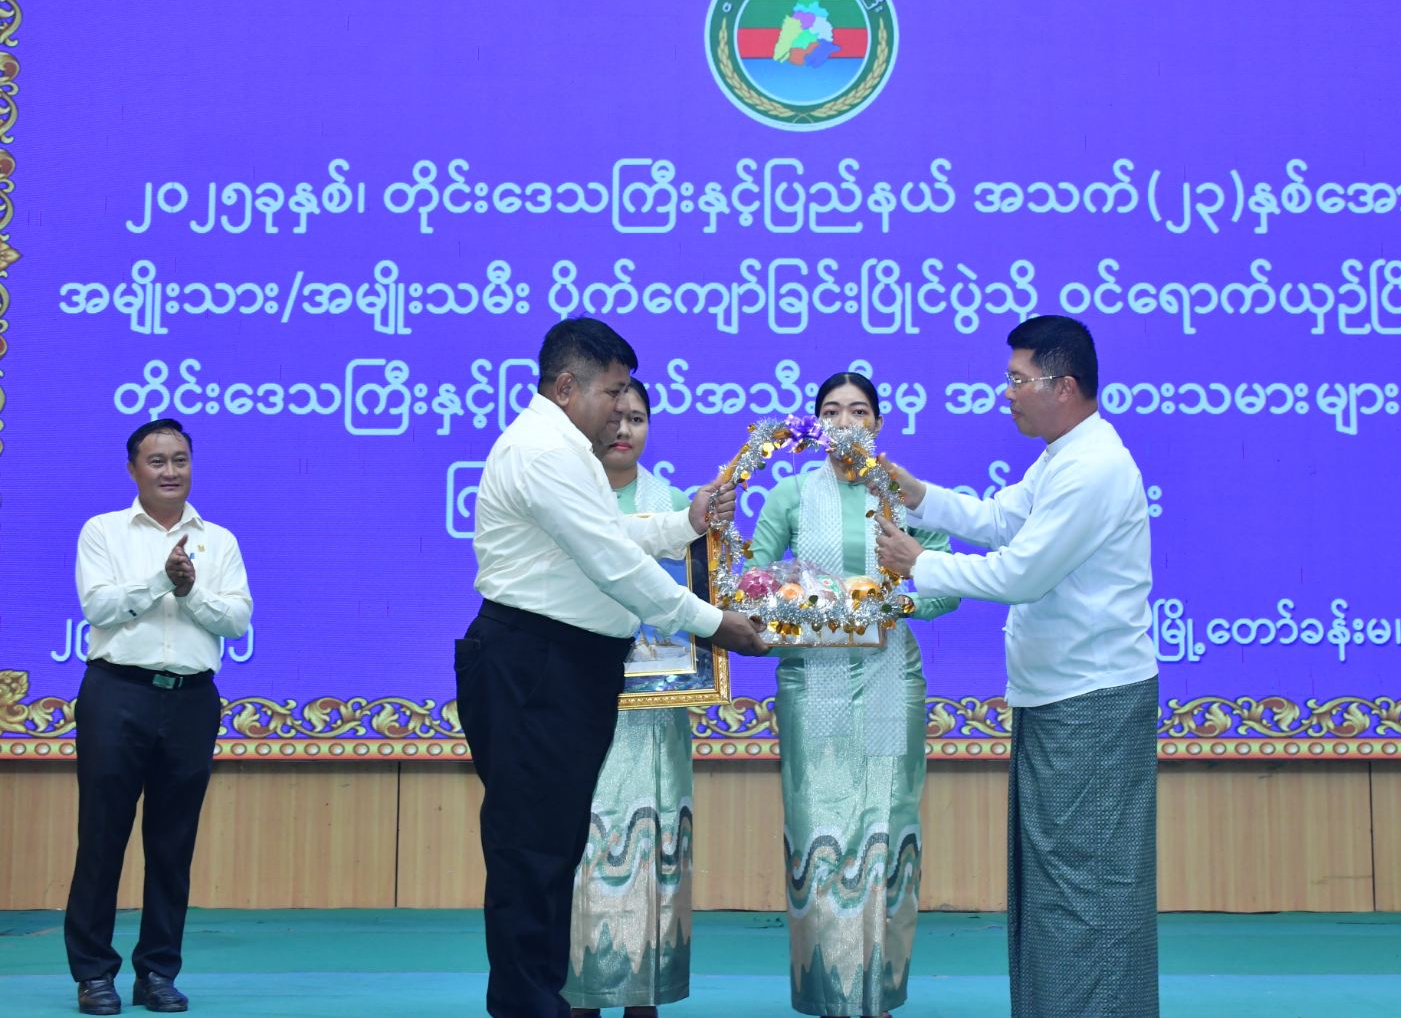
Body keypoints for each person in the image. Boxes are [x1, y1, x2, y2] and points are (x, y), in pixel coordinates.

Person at [457, 318, 767, 1018]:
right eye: (613, 390)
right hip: (534, 664)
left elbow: (611, 533)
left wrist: (685, 523)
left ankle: (537, 1001)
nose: (622, 407)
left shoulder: (565, 450)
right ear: (568, 387)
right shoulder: (543, 451)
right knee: (530, 860)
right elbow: (614, 563)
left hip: (559, 665)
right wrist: (715, 623)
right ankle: (527, 1007)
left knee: (550, 854)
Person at [873, 316, 1160, 1018]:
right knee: (1057, 882)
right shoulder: (1065, 455)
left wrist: (920, 562)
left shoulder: (1094, 467)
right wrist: (917, 494)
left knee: (1085, 885)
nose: (1007, 393)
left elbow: (1021, 572)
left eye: (1017, 379)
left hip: (1090, 701)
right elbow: (1003, 520)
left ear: (1064, 386)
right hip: (1059, 697)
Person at [748, 372, 960, 1018]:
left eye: (859, 410)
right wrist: (807, 603)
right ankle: (829, 992)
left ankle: (878, 995)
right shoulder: (789, 494)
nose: (845, 422)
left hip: (890, 676)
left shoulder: (903, 495)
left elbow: (946, 583)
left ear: (879, 424)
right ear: (815, 425)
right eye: (832, 411)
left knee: (887, 825)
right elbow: (753, 581)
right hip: (811, 678)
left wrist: (891, 604)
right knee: (818, 828)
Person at [66, 418, 254, 1016]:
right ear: (133, 470)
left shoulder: (218, 540)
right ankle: (94, 973)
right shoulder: (103, 531)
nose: (170, 471)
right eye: (157, 461)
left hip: (192, 699)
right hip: (117, 694)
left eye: (180, 460)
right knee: (102, 838)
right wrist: (160, 581)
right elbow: (98, 606)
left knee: (173, 845)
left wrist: (190, 591)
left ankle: (157, 972)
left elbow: (237, 620)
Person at [566, 379, 695, 1018]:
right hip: (576, 695)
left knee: (653, 838)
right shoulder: (566, 491)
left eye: (637, 418)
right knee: (582, 843)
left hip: (655, 706)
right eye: (615, 416)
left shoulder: (675, 504)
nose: (624, 429)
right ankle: (578, 991)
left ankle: (644, 993)